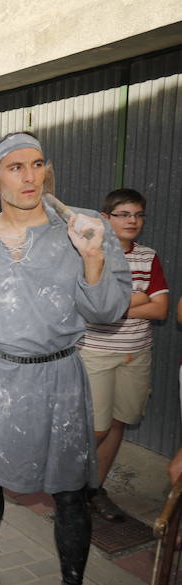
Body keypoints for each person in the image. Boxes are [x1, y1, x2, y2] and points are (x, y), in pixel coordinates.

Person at [0, 132, 130, 585]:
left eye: (37, 164)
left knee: (70, 493)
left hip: (60, 381)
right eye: (15, 167)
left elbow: (109, 311)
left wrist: (92, 256)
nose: (29, 176)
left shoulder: (82, 229)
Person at [78, 188, 169, 522]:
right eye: (124, 214)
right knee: (96, 429)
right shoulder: (91, 255)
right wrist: (136, 300)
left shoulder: (149, 257)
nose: (133, 221)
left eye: (138, 214)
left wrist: (114, 306)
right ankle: (69, 488)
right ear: (105, 218)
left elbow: (161, 310)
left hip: (136, 353)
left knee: (118, 422)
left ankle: (94, 490)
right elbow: (92, 310)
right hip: (96, 354)